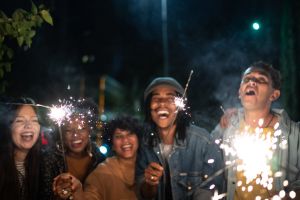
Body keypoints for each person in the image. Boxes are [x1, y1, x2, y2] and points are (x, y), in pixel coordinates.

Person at [211, 61, 300, 199]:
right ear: (240, 92)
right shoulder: (226, 128)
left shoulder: (295, 135)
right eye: (247, 79)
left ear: (274, 95)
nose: (252, 82)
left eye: (261, 80)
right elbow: (205, 166)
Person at [136, 77, 224, 200]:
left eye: (170, 98)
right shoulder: (142, 144)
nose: (162, 103)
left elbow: (212, 190)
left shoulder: (203, 142)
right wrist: (150, 184)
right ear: (148, 108)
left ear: (181, 107)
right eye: (156, 98)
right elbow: (144, 195)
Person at [53, 115, 142, 200]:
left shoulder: (148, 164)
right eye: (119, 136)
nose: (125, 140)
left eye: (130, 134)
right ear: (112, 144)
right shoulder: (102, 172)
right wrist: (77, 191)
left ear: (138, 138)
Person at [39, 98, 106, 200]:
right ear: (61, 132)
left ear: (89, 130)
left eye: (82, 129)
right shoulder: (49, 158)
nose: (76, 135)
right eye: (69, 130)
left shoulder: (99, 159)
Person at [0, 97, 42, 200]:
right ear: (8, 127)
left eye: (34, 120)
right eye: (19, 120)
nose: (28, 126)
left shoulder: (45, 165)